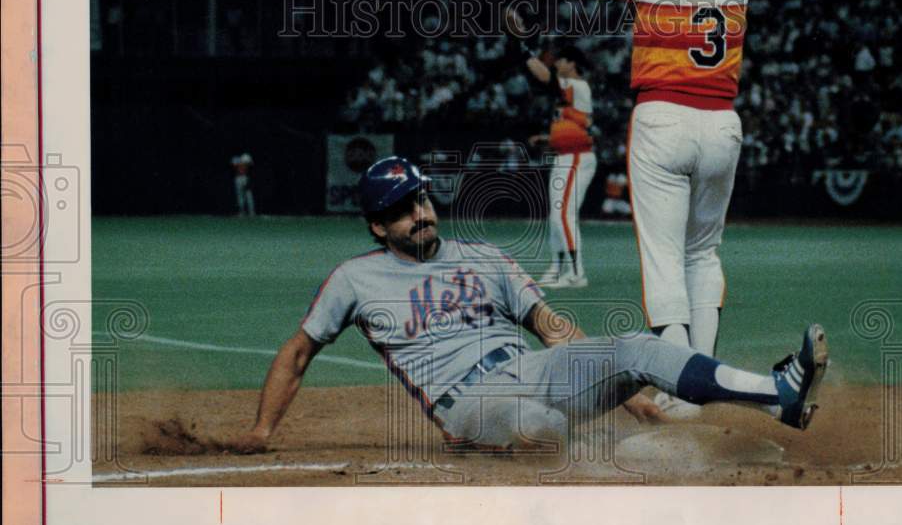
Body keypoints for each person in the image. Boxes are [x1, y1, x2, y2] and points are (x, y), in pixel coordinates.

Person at [395, 0, 750, 417]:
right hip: (724, 123)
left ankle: (686, 381)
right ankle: (703, 373)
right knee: (702, 254)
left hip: (664, 119)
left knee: (662, 261)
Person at [233, 157, 827, 454]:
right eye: (401, 210)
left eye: (421, 200)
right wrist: (263, 430)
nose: (420, 214)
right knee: (537, 427)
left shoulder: (486, 257)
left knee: (641, 347)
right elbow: (299, 351)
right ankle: (642, 464)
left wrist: (630, 387)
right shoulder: (354, 279)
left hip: (533, 369)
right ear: (376, 227)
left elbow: (550, 327)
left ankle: (780, 398)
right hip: (468, 405)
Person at [523, 44, 597, 288]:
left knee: (564, 214)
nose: (556, 64)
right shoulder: (569, 93)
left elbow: (544, 76)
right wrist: (548, 139)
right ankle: (556, 269)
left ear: (572, 64)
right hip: (564, 155)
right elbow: (575, 124)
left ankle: (577, 273)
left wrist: (524, 50)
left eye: (561, 60)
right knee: (556, 216)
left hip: (577, 157)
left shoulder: (578, 85)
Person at [230, 152, 256, 216]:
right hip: (240, 178)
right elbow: (233, 164)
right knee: (241, 196)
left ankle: (250, 212)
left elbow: (249, 166)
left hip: (244, 178)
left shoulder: (244, 162)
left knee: (248, 196)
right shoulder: (238, 161)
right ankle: (243, 212)